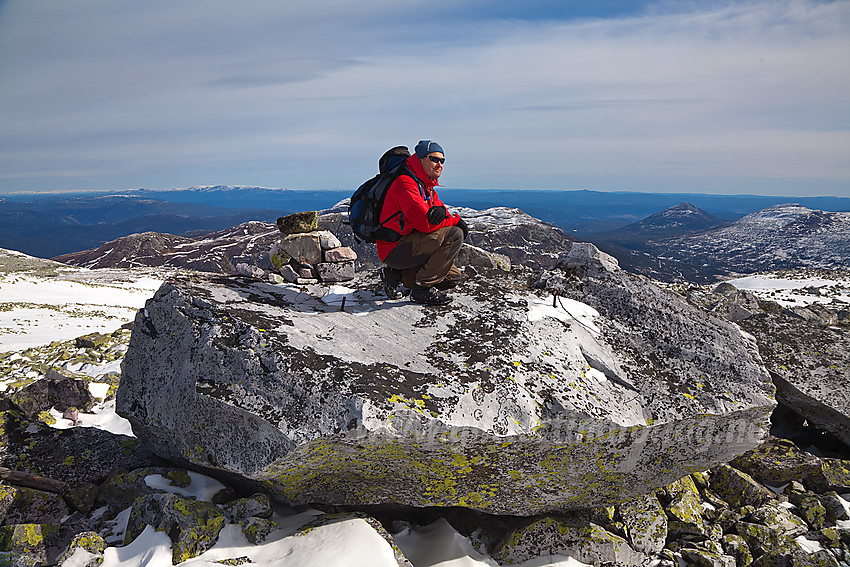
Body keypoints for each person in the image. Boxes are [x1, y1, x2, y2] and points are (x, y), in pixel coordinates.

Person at [376, 140, 469, 305]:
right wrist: (455, 220)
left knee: (451, 278)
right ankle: (421, 290)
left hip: (409, 245)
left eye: (442, 161)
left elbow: (441, 213)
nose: (439, 164)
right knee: (455, 234)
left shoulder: (426, 187)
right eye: (434, 159)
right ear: (419, 159)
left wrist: (446, 216)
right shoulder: (405, 183)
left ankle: (396, 275)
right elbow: (425, 224)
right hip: (394, 248)